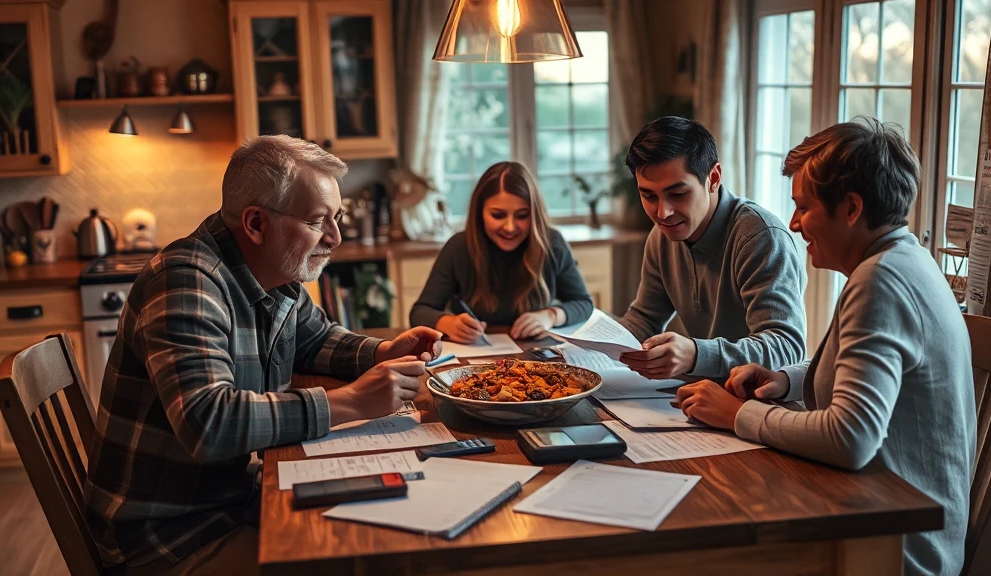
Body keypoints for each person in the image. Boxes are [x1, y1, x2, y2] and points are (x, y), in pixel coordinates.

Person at [84, 136, 443, 575]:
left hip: (230, 496)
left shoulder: (272, 271)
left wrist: (383, 351)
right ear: (256, 223)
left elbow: (315, 339)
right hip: (168, 534)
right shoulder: (186, 280)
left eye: (337, 218)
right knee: (355, 558)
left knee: (380, 534)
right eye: (318, 221)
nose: (335, 237)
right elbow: (207, 422)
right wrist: (352, 401)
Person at [675, 120, 976, 576]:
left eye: (803, 207)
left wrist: (738, 414)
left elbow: (850, 438)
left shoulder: (880, 282)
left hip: (895, 548)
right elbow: (863, 375)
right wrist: (785, 380)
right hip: (879, 512)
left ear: (851, 208)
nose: (794, 224)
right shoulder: (905, 258)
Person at [617, 116, 806, 380]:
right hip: (698, 392)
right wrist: (590, 346)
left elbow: (786, 346)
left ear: (713, 178)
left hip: (756, 398)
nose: (663, 213)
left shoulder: (761, 237)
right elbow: (644, 319)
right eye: (649, 196)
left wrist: (695, 355)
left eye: (678, 194)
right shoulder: (661, 237)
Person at [409, 161, 594, 342]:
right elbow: (420, 312)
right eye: (498, 215)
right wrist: (449, 323)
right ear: (480, 212)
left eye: (522, 215)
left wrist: (551, 316)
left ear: (534, 214)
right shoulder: (458, 247)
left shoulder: (552, 243)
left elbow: (584, 304)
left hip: (537, 352)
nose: (510, 227)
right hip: (476, 352)